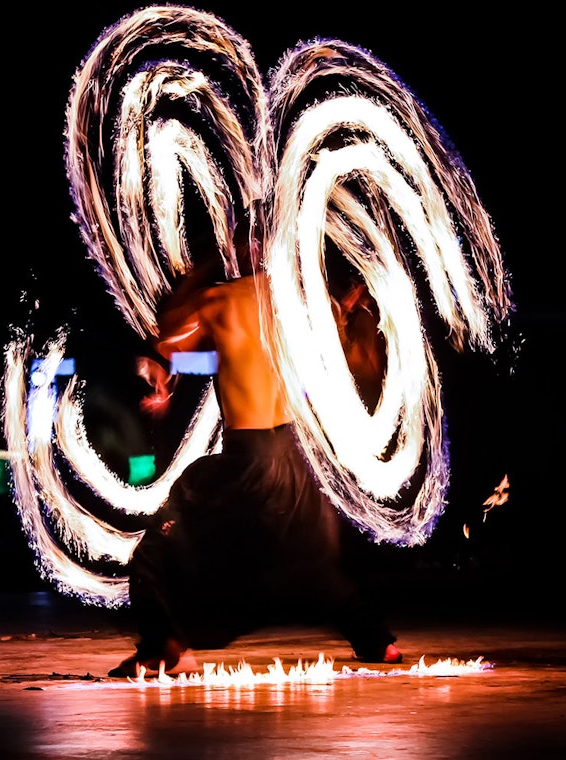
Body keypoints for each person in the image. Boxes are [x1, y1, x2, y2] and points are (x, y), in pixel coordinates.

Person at [109, 220, 402, 677]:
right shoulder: (303, 303)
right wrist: (352, 313)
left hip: (246, 459)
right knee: (312, 563)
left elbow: (168, 337)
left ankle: (162, 641)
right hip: (293, 459)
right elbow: (341, 357)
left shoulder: (219, 301)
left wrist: (197, 274)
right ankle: (375, 641)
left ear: (243, 248)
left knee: (153, 554)